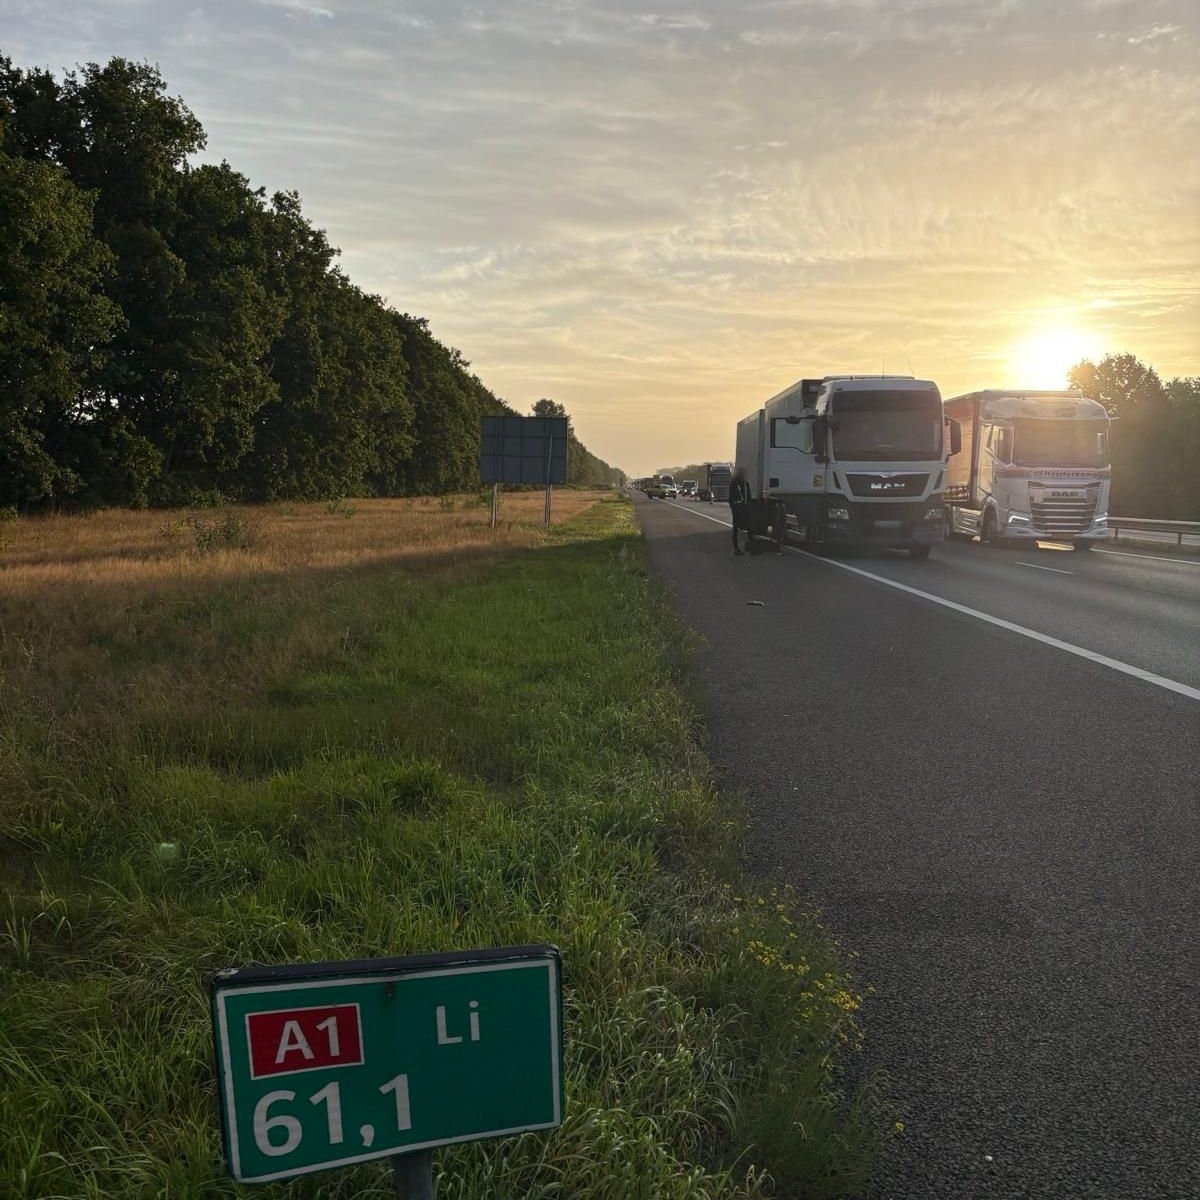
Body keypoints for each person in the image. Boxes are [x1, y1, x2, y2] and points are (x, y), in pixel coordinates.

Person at [728, 467, 752, 554]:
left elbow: (749, 497)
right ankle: (736, 548)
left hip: (745, 508)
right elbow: (730, 500)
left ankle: (752, 547)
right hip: (737, 509)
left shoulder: (746, 484)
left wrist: (749, 507)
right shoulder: (733, 485)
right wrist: (734, 510)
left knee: (750, 528)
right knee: (736, 529)